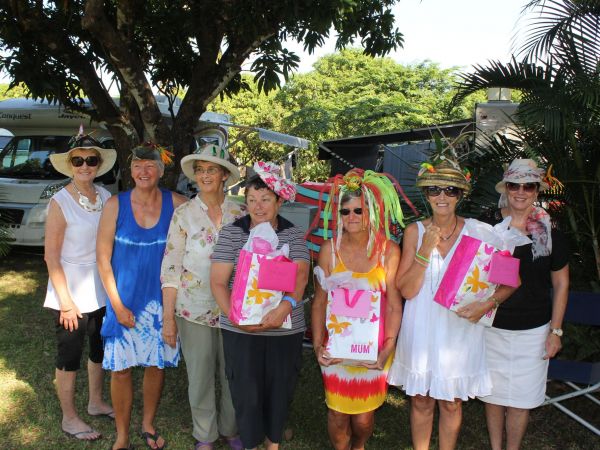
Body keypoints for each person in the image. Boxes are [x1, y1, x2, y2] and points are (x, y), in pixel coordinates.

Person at [387, 151, 516, 450]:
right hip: (421, 327)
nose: (442, 196)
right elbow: (406, 290)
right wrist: (424, 251)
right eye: (434, 189)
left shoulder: (480, 232)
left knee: (451, 402)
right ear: (426, 194)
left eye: (450, 190)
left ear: (460, 195)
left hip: (460, 330)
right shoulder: (415, 232)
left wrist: (487, 304)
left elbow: (511, 280)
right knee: (421, 400)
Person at [210, 161, 309, 450]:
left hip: (284, 329)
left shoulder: (293, 234)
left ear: (279, 201)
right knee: (245, 391)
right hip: (240, 329)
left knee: (280, 388)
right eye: (252, 199)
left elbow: (301, 279)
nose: (258, 206)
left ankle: (273, 442)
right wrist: (236, 318)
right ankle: (251, 442)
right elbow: (218, 282)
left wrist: (284, 309)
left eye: (265, 199)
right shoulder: (232, 233)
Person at [97, 143, 187, 450]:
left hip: (161, 304)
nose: (143, 171)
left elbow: (206, 224)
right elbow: (102, 259)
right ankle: (122, 435)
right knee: (120, 369)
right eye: (137, 166)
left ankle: (148, 423)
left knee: (155, 365)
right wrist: (117, 305)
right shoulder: (115, 205)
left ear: (161, 171)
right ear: (130, 170)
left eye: (150, 166)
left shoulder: (177, 204)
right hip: (123, 300)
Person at [310, 169, 404, 450]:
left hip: (374, 349)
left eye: (358, 210)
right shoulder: (329, 250)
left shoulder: (389, 251)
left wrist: (388, 347)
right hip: (336, 347)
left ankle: (359, 445)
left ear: (371, 213)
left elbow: (394, 305)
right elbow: (319, 302)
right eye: (345, 211)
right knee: (337, 414)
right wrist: (317, 345)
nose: (351, 217)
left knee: (363, 419)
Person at [479, 159, 569, 450]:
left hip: (534, 330)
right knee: (492, 396)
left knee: (521, 400)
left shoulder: (550, 230)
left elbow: (561, 283)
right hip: (491, 325)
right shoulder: (487, 224)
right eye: (514, 185)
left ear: (536, 190)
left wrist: (556, 332)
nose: (520, 192)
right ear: (505, 188)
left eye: (528, 186)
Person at [160, 143, 245, 450]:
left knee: (234, 373)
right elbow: (171, 267)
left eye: (212, 170)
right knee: (200, 376)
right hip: (193, 309)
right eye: (200, 170)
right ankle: (205, 435)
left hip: (235, 309)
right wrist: (168, 318)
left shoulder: (241, 212)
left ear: (224, 175)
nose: (205, 175)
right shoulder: (183, 214)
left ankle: (231, 429)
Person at [44, 133, 116, 441]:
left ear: (98, 164)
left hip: (100, 286)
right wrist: (66, 301)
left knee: (99, 348)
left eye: (91, 160)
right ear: (70, 164)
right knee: (70, 354)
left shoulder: (106, 196)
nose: (85, 166)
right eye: (78, 160)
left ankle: (95, 402)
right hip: (70, 290)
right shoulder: (59, 202)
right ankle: (69, 417)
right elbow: (51, 256)